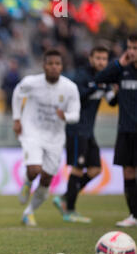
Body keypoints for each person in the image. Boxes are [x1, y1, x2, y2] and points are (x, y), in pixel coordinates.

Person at [12, 49, 80, 227]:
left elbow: (76, 114)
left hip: (55, 138)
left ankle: (29, 212)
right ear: (44, 65)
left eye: (57, 64)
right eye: (50, 64)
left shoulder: (70, 88)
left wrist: (65, 116)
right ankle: (28, 182)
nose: (54, 67)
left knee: (46, 179)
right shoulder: (32, 82)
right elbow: (17, 94)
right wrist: (17, 118)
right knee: (34, 169)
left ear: (62, 66)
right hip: (32, 132)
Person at [53, 46, 116, 223]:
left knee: (95, 170)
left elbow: (111, 101)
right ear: (91, 59)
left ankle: (65, 197)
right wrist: (98, 85)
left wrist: (116, 91)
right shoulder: (81, 76)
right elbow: (77, 96)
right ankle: (69, 210)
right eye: (98, 58)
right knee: (78, 169)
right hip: (76, 130)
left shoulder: (105, 78)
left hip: (89, 131)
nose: (101, 62)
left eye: (104, 59)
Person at [95, 33, 137, 227]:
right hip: (125, 130)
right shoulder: (123, 70)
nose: (131, 52)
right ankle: (133, 215)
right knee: (128, 173)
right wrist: (119, 63)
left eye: (135, 48)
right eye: (129, 47)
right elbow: (100, 78)